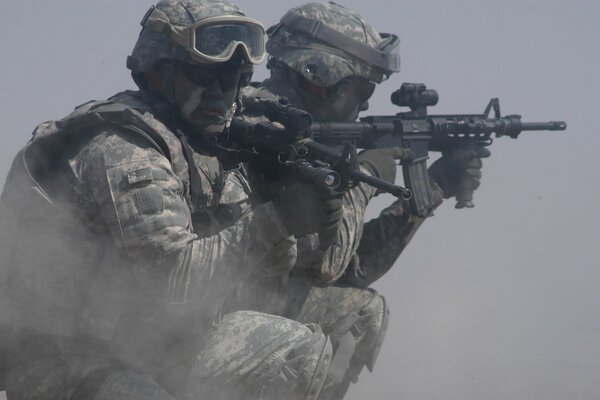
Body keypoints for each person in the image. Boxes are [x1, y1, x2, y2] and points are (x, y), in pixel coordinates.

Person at [0, 1, 354, 399]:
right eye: (206, 74)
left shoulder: (203, 146)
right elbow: (172, 283)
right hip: (59, 362)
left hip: (135, 346)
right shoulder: (122, 145)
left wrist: (277, 200)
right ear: (157, 70)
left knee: (297, 346)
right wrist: (276, 219)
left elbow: (269, 276)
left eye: (237, 78)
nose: (224, 92)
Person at [233, 2, 491, 399]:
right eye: (363, 88)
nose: (367, 103)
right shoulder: (264, 130)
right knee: (323, 335)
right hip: (205, 315)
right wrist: (366, 177)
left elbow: (352, 269)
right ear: (321, 77)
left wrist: (434, 187)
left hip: (250, 299)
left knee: (360, 309)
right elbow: (326, 263)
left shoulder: (289, 125)